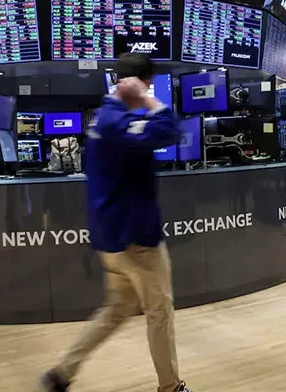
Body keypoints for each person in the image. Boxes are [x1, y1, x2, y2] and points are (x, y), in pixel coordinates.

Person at [39, 53, 193, 392]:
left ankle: (62, 373)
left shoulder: (103, 119)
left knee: (116, 310)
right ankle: (171, 387)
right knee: (160, 311)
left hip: (111, 239)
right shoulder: (116, 122)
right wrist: (149, 99)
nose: (149, 89)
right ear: (132, 82)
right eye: (147, 82)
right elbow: (170, 129)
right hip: (135, 238)